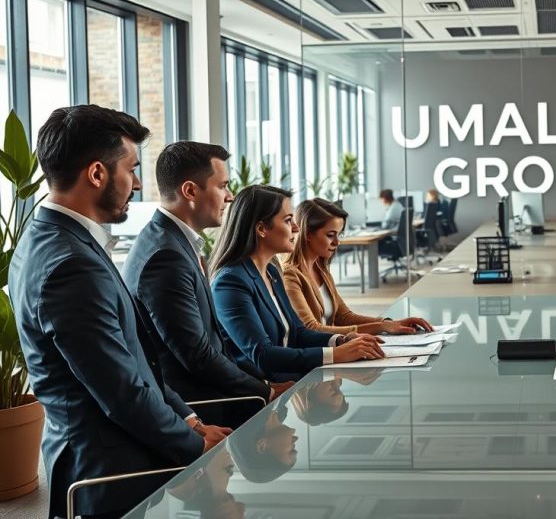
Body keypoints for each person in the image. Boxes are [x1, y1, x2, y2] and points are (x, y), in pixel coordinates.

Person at [10, 105, 228, 519]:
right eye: (131, 168)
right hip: (109, 471)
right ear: (97, 174)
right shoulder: (68, 261)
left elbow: (133, 359)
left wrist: (189, 419)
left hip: (121, 450)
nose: (139, 182)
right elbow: (119, 390)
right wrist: (195, 445)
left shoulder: (58, 238)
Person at [124, 142, 292, 428]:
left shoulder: (175, 242)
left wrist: (263, 382)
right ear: (190, 191)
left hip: (218, 392)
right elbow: (198, 356)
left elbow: (214, 344)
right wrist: (266, 390)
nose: (229, 197)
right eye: (223, 186)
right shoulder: (165, 256)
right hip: (203, 409)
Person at [210, 185, 386, 382]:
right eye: (288, 220)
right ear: (261, 229)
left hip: (292, 381)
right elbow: (263, 355)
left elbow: (298, 333)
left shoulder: (271, 273)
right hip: (266, 393)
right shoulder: (230, 282)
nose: (296, 227)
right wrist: (337, 354)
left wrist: (341, 341)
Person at [283, 198, 433, 335]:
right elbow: (312, 329)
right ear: (308, 234)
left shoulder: (320, 268)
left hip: (336, 347)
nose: (337, 242)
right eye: (330, 235)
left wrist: (388, 323)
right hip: (318, 357)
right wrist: (381, 327)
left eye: (339, 235)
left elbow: (344, 317)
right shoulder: (290, 275)